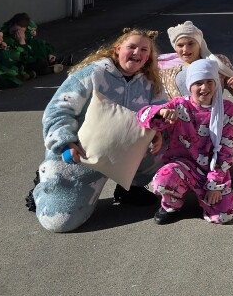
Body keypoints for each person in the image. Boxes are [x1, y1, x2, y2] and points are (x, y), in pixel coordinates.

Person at [31, 28, 164, 233]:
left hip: (121, 155)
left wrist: (158, 131)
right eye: (132, 47)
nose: (137, 52)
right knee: (59, 221)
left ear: (148, 56)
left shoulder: (150, 82)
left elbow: (160, 111)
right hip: (81, 152)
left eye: (144, 49)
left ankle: (130, 187)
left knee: (174, 136)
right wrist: (65, 143)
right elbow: (57, 110)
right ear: (118, 48)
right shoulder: (94, 73)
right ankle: (46, 184)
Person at [137, 59, 233, 224]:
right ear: (190, 85)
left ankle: (207, 199)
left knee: (224, 215)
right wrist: (161, 111)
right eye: (198, 83)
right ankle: (172, 204)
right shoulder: (179, 105)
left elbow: (225, 151)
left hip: (211, 169)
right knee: (163, 179)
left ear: (216, 83)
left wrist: (215, 184)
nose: (204, 88)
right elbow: (142, 115)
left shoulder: (227, 109)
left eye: (209, 82)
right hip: (182, 165)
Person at [158, 21, 233, 178]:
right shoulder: (167, 71)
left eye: (190, 43)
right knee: (176, 174)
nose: (185, 49)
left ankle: (213, 178)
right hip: (184, 135)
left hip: (214, 130)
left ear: (199, 43)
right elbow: (164, 103)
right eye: (180, 45)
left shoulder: (219, 63)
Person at [0, 24, 23, 89]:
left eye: (2, 37)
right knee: (13, 82)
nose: (1, 39)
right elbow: (6, 63)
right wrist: (5, 50)